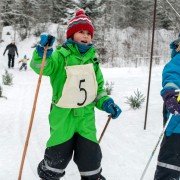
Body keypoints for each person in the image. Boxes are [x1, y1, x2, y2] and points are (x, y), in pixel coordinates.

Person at [30, 9, 121, 180]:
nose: (86, 36)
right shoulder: (60, 57)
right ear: (72, 35)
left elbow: (98, 90)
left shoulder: (93, 61)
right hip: (63, 119)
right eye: (81, 32)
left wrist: (106, 102)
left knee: (91, 163)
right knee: (55, 163)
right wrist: (42, 52)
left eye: (88, 33)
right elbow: (41, 67)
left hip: (86, 120)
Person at [154, 36, 180, 180]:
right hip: (176, 127)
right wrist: (171, 94)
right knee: (168, 168)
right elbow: (171, 77)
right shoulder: (178, 60)